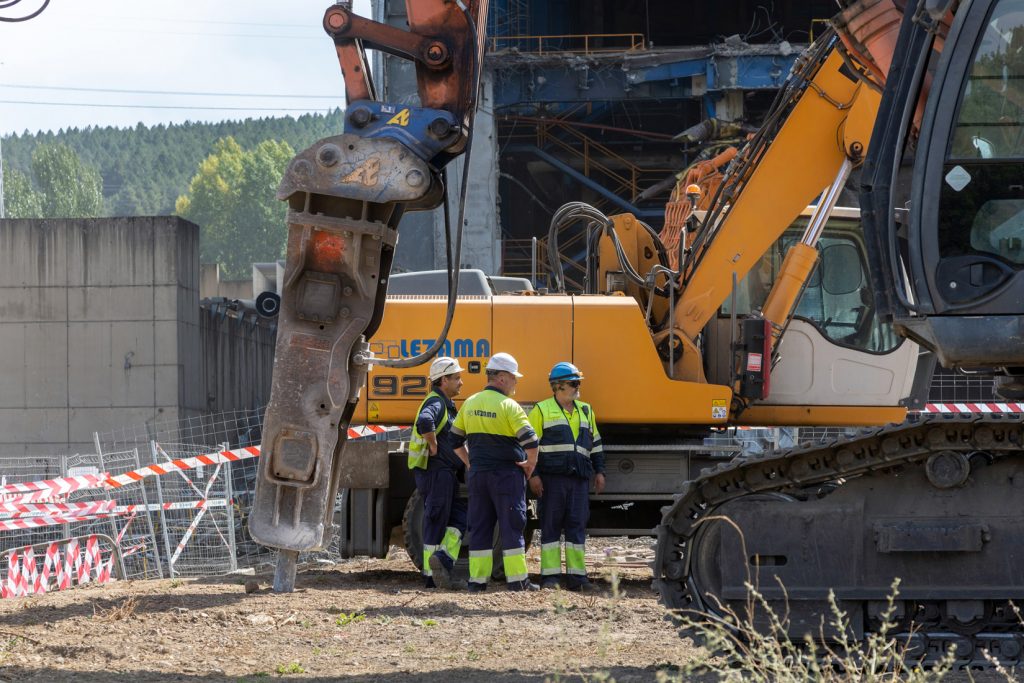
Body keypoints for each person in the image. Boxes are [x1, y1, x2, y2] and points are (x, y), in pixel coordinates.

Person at [451, 352, 540, 592]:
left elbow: (454, 441)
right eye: (513, 377)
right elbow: (531, 442)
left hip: (478, 476)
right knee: (511, 527)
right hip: (506, 476)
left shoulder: (470, 403)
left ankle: (477, 582)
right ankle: (517, 581)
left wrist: (470, 463)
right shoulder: (509, 407)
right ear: (501, 378)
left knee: (480, 527)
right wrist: (530, 465)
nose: (515, 383)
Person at [527, 361, 605, 591]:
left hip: (579, 479)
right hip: (551, 480)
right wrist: (534, 476)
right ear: (558, 386)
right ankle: (550, 578)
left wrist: (599, 471)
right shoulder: (541, 410)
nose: (577, 386)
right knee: (550, 526)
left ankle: (577, 579)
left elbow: (596, 444)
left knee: (576, 526)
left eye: (577, 382)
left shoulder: (586, 410)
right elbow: (530, 447)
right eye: (573, 383)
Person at [408, 357, 468, 590]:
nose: (461, 383)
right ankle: (430, 578)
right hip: (436, 473)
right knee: (435, 521)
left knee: (460, 518)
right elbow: (425, 421)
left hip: (446, 473)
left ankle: (442, 559)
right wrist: (433, 446)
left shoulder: (445, 403)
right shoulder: (436, 402)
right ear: (444, 380)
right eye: (457, 378)